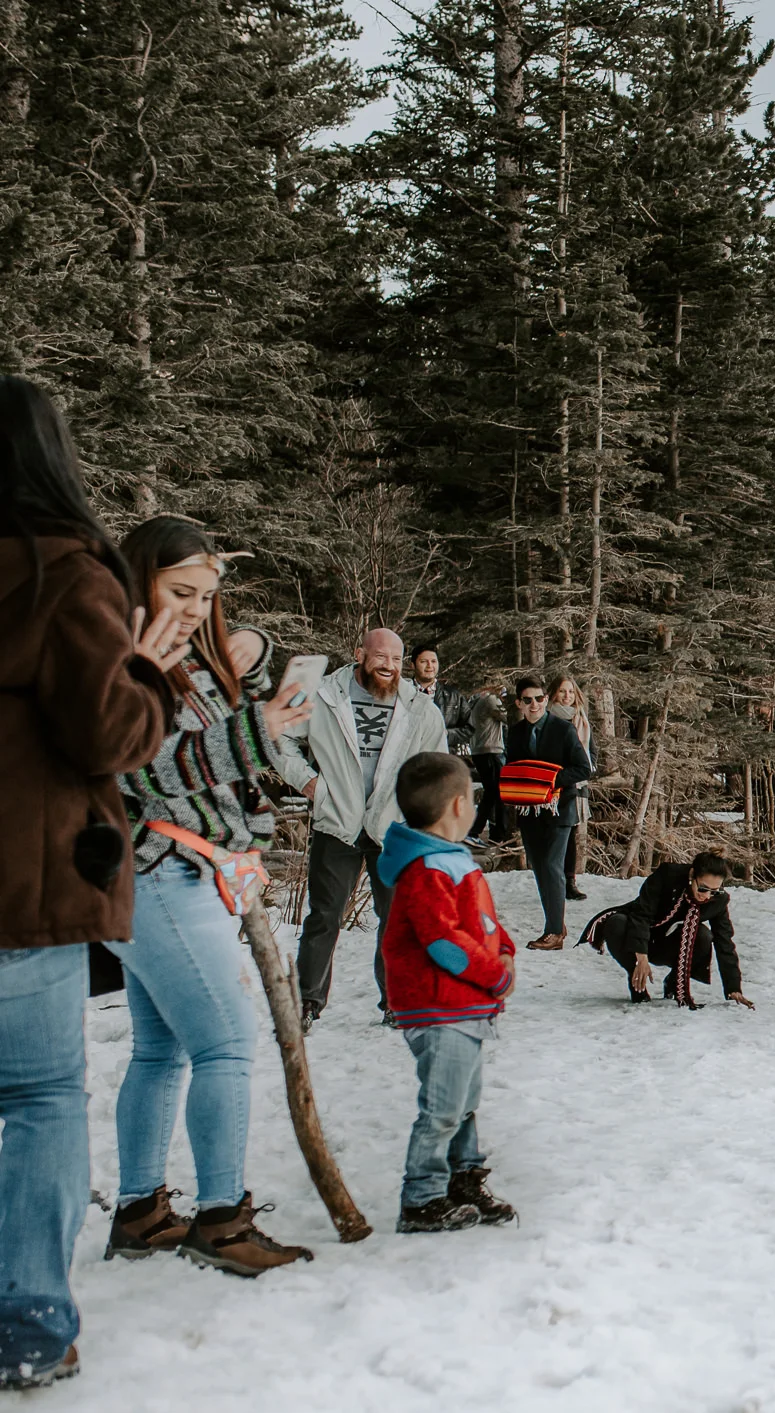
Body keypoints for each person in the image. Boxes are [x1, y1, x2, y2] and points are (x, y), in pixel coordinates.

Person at [0, 376, 174, 1389]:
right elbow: (108, 734)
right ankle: (25, 1323)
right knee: (37, 1099)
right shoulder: (65, 575)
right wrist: (152, 670)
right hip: (24, 893)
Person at [103, 518, 317, 1276]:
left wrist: (253, 686)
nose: (195, 607)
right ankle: (222, 1220)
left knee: (160, 1049)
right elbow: (152, 771)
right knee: (225, 1044)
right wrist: (252, 730)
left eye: (207, 594)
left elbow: (215, 749)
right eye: (180, 591)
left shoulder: (182, 661)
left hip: (174, 872)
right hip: (160, 872)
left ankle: (139, 1212)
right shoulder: (123, 661)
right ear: (139, 580)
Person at [275, 627, 448, 1026]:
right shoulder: (324, 694)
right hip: (338, 821)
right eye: (380, 656)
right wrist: (309, 783)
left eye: (395, 659)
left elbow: (436, 768)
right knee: (324, 916)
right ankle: (306, 1002)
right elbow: (279, 735)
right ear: (359, 654)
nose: (388, 665)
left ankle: (396, 1002)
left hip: (392, 827)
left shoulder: (419, 707)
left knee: (395, 920)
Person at [375, 753, 518, 1233]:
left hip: (464, 1003)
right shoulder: (428, 869)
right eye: (474, 798)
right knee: (442, 1107)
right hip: (440, 1005)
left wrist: (507, 951)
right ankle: (422, 1198)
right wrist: (492, 974)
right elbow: (442, 941)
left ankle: (463, 1178)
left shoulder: (452, 861)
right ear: (459, 804)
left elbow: (479, 922)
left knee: (464, 1100)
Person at [579, 851, 752, 1008]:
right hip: (638, 935)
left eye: (714, 891)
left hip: (669, 944)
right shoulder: (668, 876)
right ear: (692, 875)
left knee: (704, 935)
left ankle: (674, 981)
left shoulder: (718, 901)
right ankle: (637, 983)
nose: (706, 896)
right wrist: (641, 956)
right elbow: (642, 914)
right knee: (616, 923)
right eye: (703, 888)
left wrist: (733, 987)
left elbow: (724, 942)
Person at [504, 677, 592, 950]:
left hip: (559, 809)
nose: (535, 704)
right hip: (528, 810)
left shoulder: (563, 730)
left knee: (553, 866)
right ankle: (556, 922)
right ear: (519, 703)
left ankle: (554, 933)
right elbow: (513, 767)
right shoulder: (515, 732)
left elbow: (583, 768)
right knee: (540, 867)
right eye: (527, 700)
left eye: (540, 698)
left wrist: (551, 779)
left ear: (546, 699)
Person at [547, 675, 593, 901]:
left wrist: (584, 772)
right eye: (563, 691)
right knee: (553, 832)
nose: (567, 696)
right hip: (552, 784)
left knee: (571, 832)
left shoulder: (581, 719)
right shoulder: (547, 718)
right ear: (554, 693)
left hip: (576, 782)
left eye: (571, 692)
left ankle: (569, 882)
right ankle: (552, 879)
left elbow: (591, 752)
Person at [466, 682, 508, 843]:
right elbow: (507, 717)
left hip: (480, 751)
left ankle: (478, 830)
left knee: (491, 793)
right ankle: (498, 834)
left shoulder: (476, 700)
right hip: (491, 751)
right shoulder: (490, 700)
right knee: (499, 793)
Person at [411, 646, 470, 754]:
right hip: (410, 758)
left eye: (433, 661)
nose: (430, 666)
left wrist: (445, 734)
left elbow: (470, 728)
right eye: (423, 661)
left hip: (443, 758)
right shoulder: (403, 693)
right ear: (412, 665)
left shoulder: (453, 696)